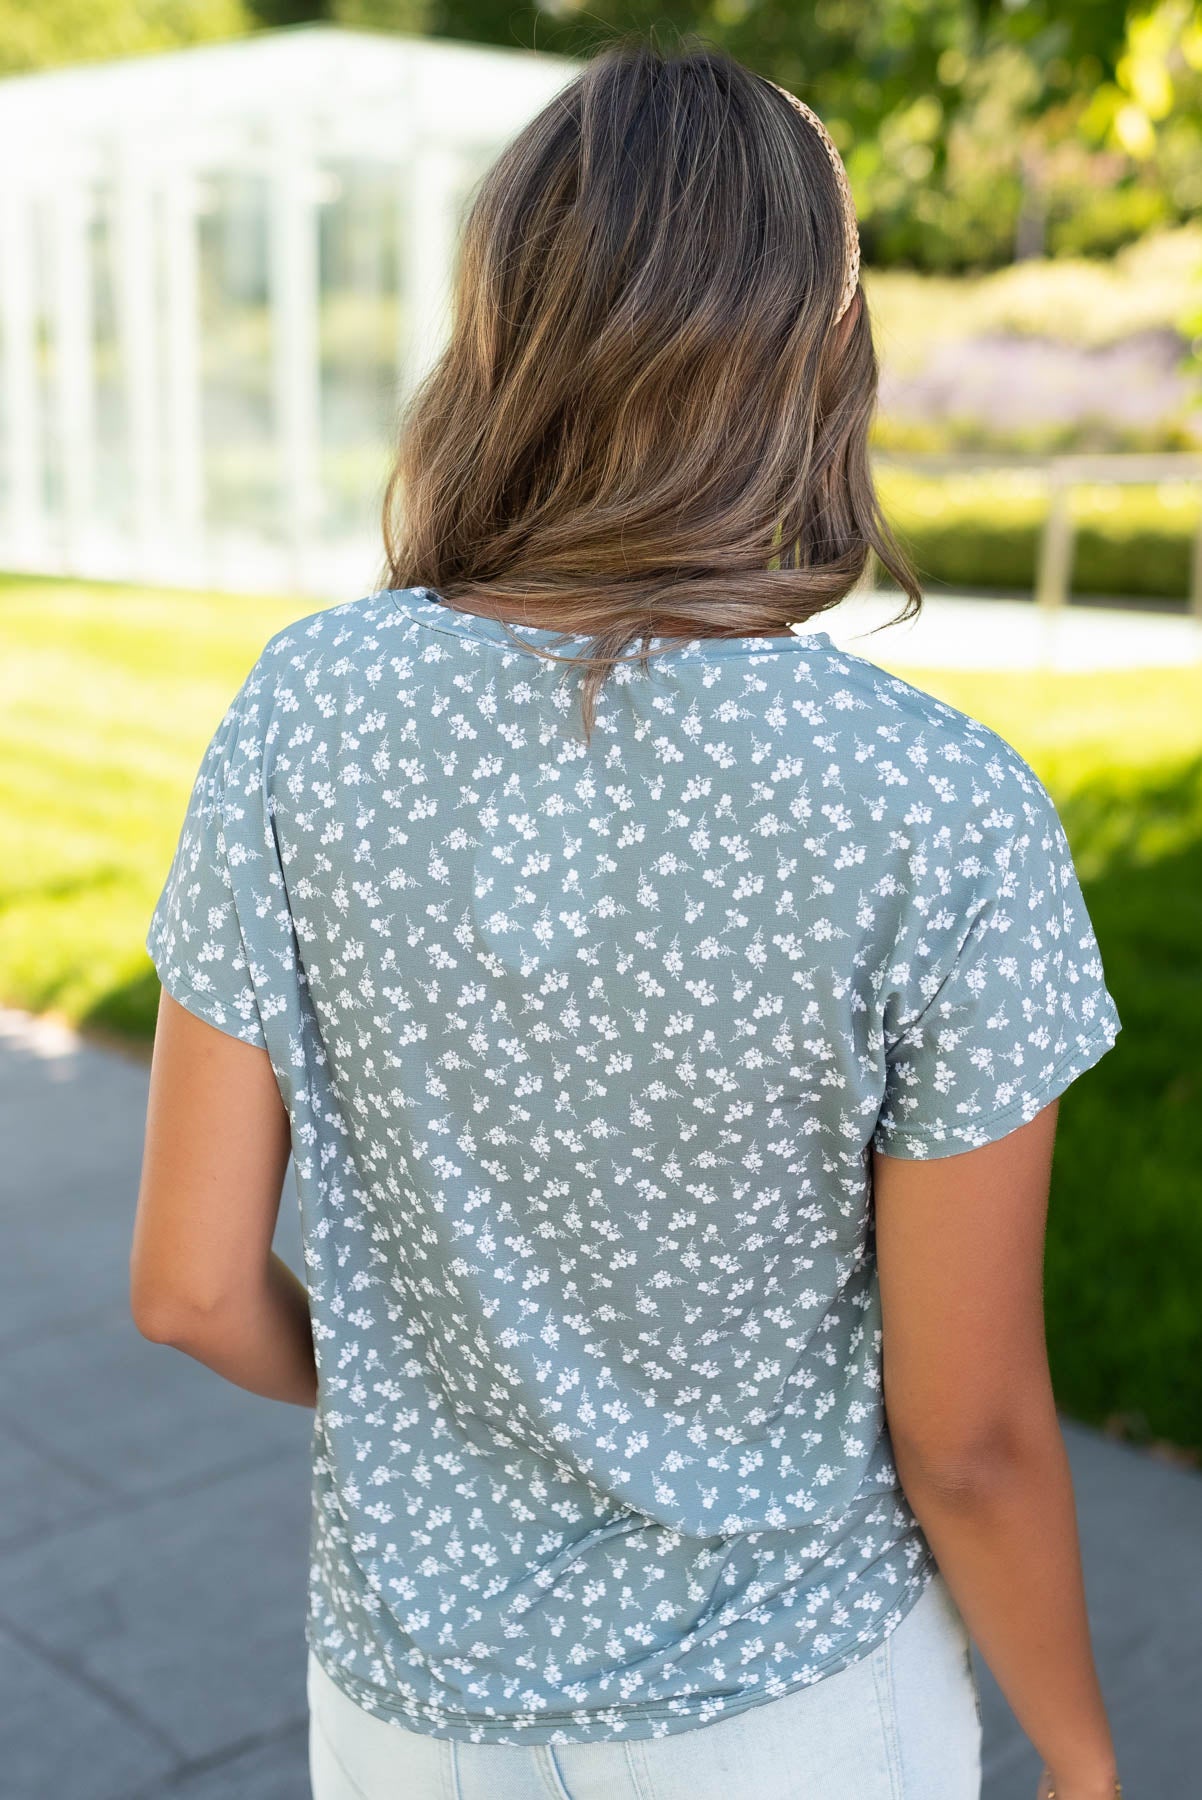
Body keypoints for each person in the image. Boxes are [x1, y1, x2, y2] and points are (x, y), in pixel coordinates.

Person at [130, 31, 1126, 1800]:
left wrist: (433, 1412)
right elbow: (965, 1435)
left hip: (406, 1711)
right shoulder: (937, 805)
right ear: (820, 349)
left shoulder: (305, 709)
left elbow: (193, 1288)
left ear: (505, 323)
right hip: (798, 1709)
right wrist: (1078, 1747)